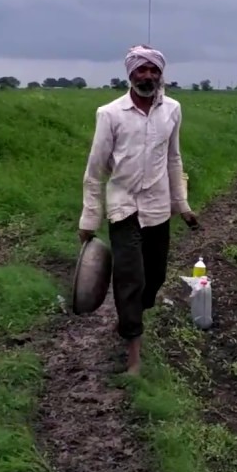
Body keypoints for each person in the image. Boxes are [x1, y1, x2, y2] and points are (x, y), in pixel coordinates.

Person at [79, 44, 199, 375]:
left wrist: (183, 205)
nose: (147, 76)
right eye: (141, 70)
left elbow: (174, 159)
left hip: (158, 208)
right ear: (129, 74)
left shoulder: (172, 110)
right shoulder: (110, 114)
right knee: (130, 277)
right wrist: (89, 218)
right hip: (123, 207)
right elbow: (94, 170)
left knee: (154, 277)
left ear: (161, 74)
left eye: (153, 70)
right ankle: (133, 353)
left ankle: (133, 317)